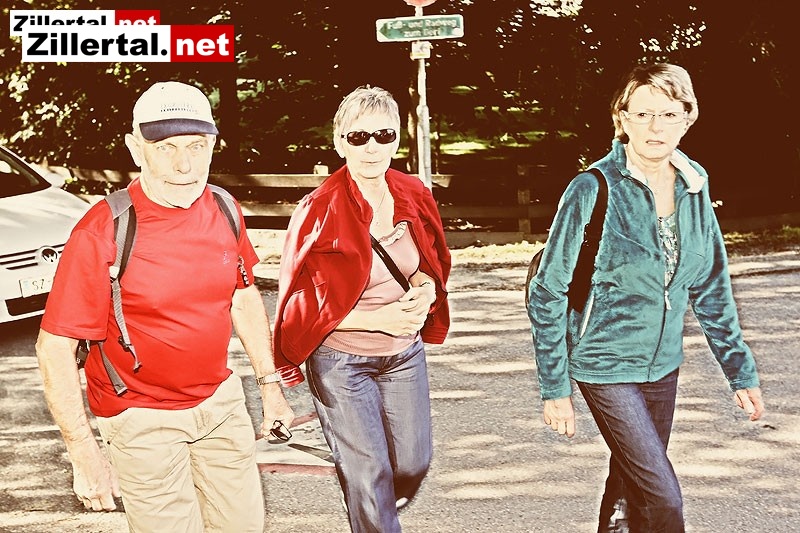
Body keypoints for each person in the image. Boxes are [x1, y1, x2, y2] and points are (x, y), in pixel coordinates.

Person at [35, 81, 295, 532]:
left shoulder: (224, 207)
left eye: (197, 145)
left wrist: (270, 385)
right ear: (135, 148)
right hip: (140, 416)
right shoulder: (103, 230)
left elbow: (242, 294)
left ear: (213, 145)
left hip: (219, 404)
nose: (184, 165)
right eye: (165, 147)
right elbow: (54, 347)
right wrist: (84, 453)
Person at [526, 63, 765, 533]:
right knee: (663, 499)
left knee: (631, 485)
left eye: (669, 114)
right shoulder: (592, 188)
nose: (656, 127)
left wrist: (740, 371)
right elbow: (548, 290)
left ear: (687, 118)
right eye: (643, 114)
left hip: (663, 366)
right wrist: (555, 388)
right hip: (603, 363)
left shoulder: (693, 185)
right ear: (623, 118)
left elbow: (711, 283)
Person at [272, 85, 451, 533]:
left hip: (403, 353)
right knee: (370, 475)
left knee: (412, 462)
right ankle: (371, 508)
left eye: (383, 135)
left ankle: (371, 506)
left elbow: (428, 261)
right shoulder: (318, 209)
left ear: (397, 140)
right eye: (358, 137)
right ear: (340, 143)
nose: (372, 147)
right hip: (341, 361)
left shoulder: (413, 192)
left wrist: (426, 290)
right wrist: (374, 319)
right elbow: (297, 306)